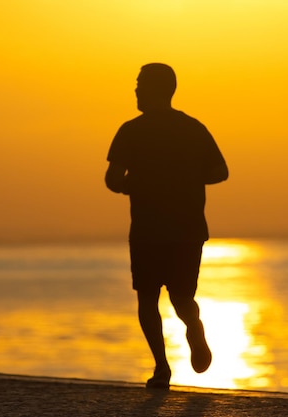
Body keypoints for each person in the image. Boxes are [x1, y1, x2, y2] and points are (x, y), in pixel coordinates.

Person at [105, 63, 228, 388]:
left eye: (139, 84)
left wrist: (137, 184)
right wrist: (185, 179)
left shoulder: (131, 131)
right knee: (181, 299)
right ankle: (192, 329)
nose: (135, 90)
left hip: (149, 231)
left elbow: (112, 178)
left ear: (153, 89)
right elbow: (220, 171)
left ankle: (162, 368)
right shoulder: (193, 128)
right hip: (186, 231)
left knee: (147, 298)